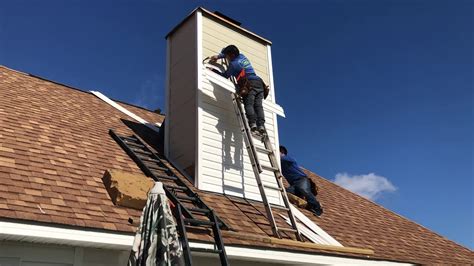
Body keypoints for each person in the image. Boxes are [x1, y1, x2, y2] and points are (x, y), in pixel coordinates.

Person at [210, 45, 266, 133]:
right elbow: (227, 52)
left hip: (249, 84)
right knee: (258, 106)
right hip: (259, 83)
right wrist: (218, 56)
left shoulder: (234, 64)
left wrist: (213, 70)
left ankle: (252, 123)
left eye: (227, 56)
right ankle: (261, 125)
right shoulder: (242, 56)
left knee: (249, 104)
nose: (227, 57)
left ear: (231, 55)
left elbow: (225, 76)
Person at [279, 145, 323, 216]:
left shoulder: (288, 159)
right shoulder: (280, 165)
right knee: (286, 192)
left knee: (304, 190)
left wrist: (278, 156)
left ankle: (318, 207)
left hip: (301, 179)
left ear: (283, 152)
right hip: (294, 184)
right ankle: (308, 206)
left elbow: (289, 160)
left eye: (278, 151)